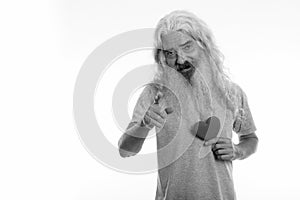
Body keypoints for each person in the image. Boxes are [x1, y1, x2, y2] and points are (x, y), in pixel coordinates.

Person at [118, 10, 258, 200]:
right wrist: (144, 125)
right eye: (170, 53)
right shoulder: (155, 93)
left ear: (204, 45)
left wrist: (238, 150)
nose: (180, 59)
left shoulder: (231, 93)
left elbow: (250, 138)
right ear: (162, 57)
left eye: (187, 47)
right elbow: (125, 151)